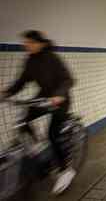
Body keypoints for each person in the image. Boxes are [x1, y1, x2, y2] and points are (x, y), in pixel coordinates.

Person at [1, 30, 76, 195]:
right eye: (25, 43)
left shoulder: (53, 58)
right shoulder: (29, 61)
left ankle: (65, 171)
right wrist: (5, 93)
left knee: (52, 134)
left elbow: (68, 79)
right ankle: (39, 151)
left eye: (30, 43)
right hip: (43, 97)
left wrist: (59, 95)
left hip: (60, 101)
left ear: (40, 43)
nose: (26, 46)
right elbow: (20, 82)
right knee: (23, 121)